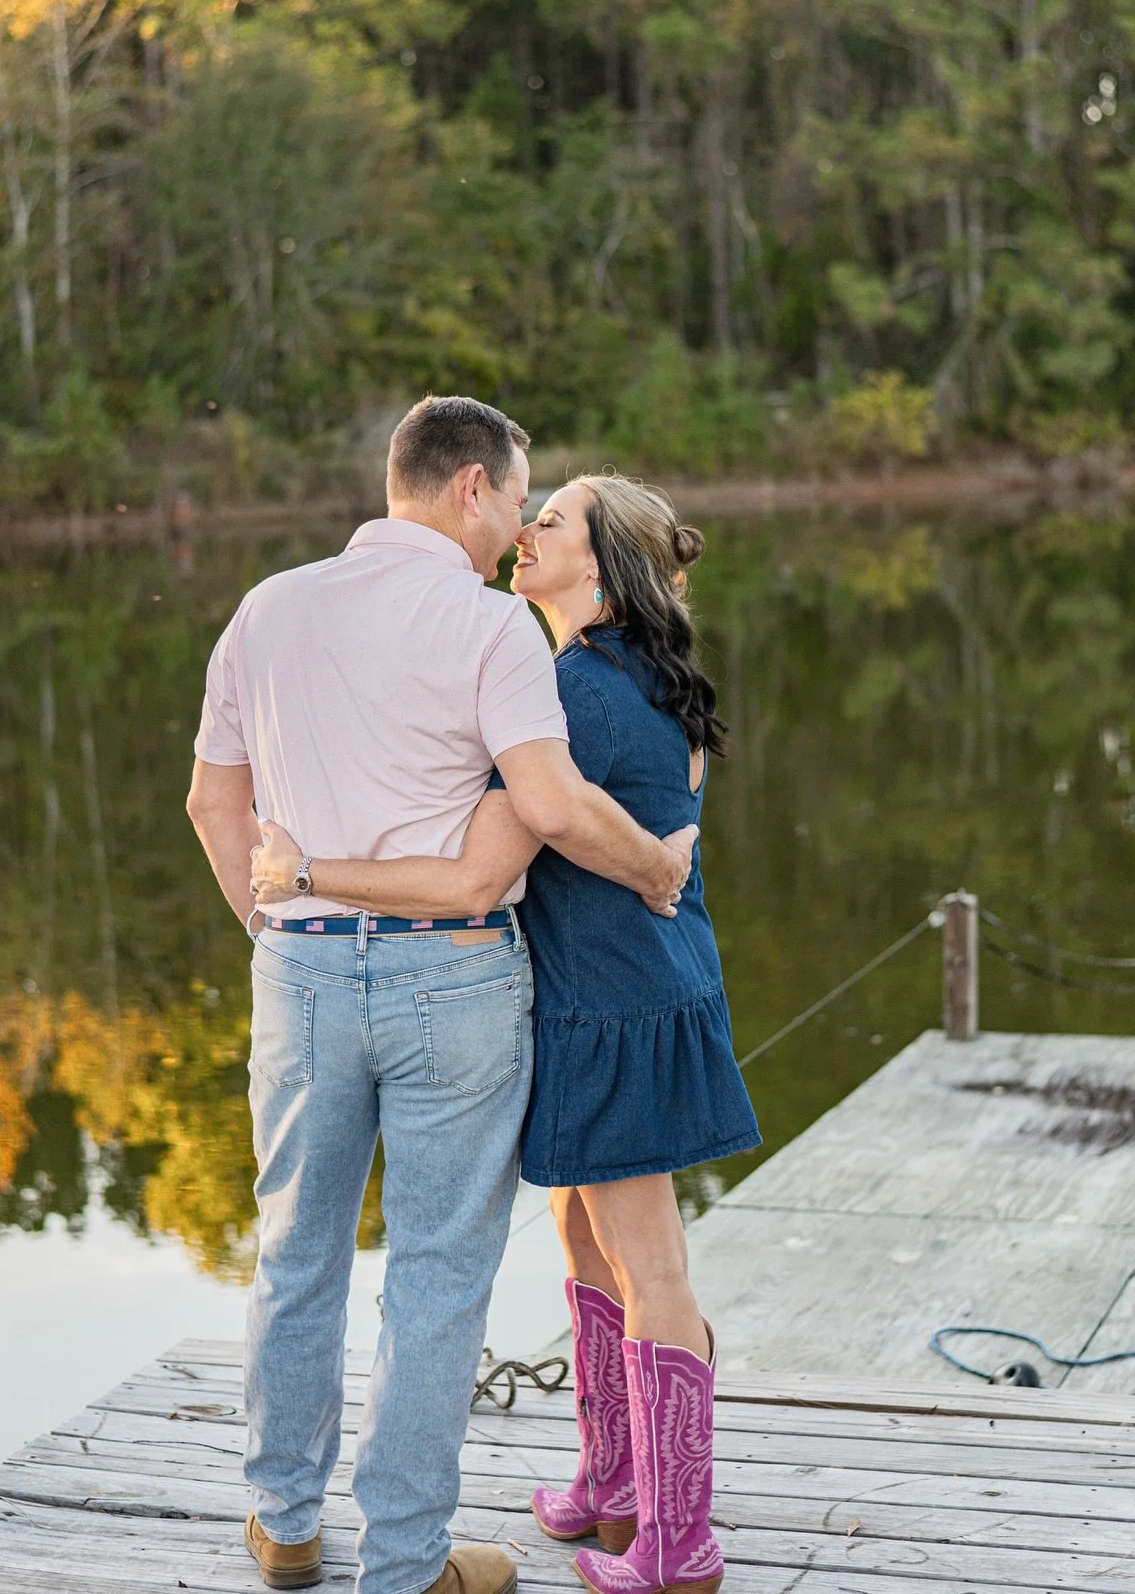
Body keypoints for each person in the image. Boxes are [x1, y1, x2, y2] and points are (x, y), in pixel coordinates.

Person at [186, 399, 694, 1594]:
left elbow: (215, 806)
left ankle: (287, 1525)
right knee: (436, 1278)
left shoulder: (267, 608)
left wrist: (283, 933)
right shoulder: (488, 629)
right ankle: (407, 1565)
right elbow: (555, 807)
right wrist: (660, 864)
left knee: (294, 1256)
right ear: (472, 486)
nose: (518, 525)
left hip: (300, 968)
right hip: (454, 977)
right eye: (518, 498)